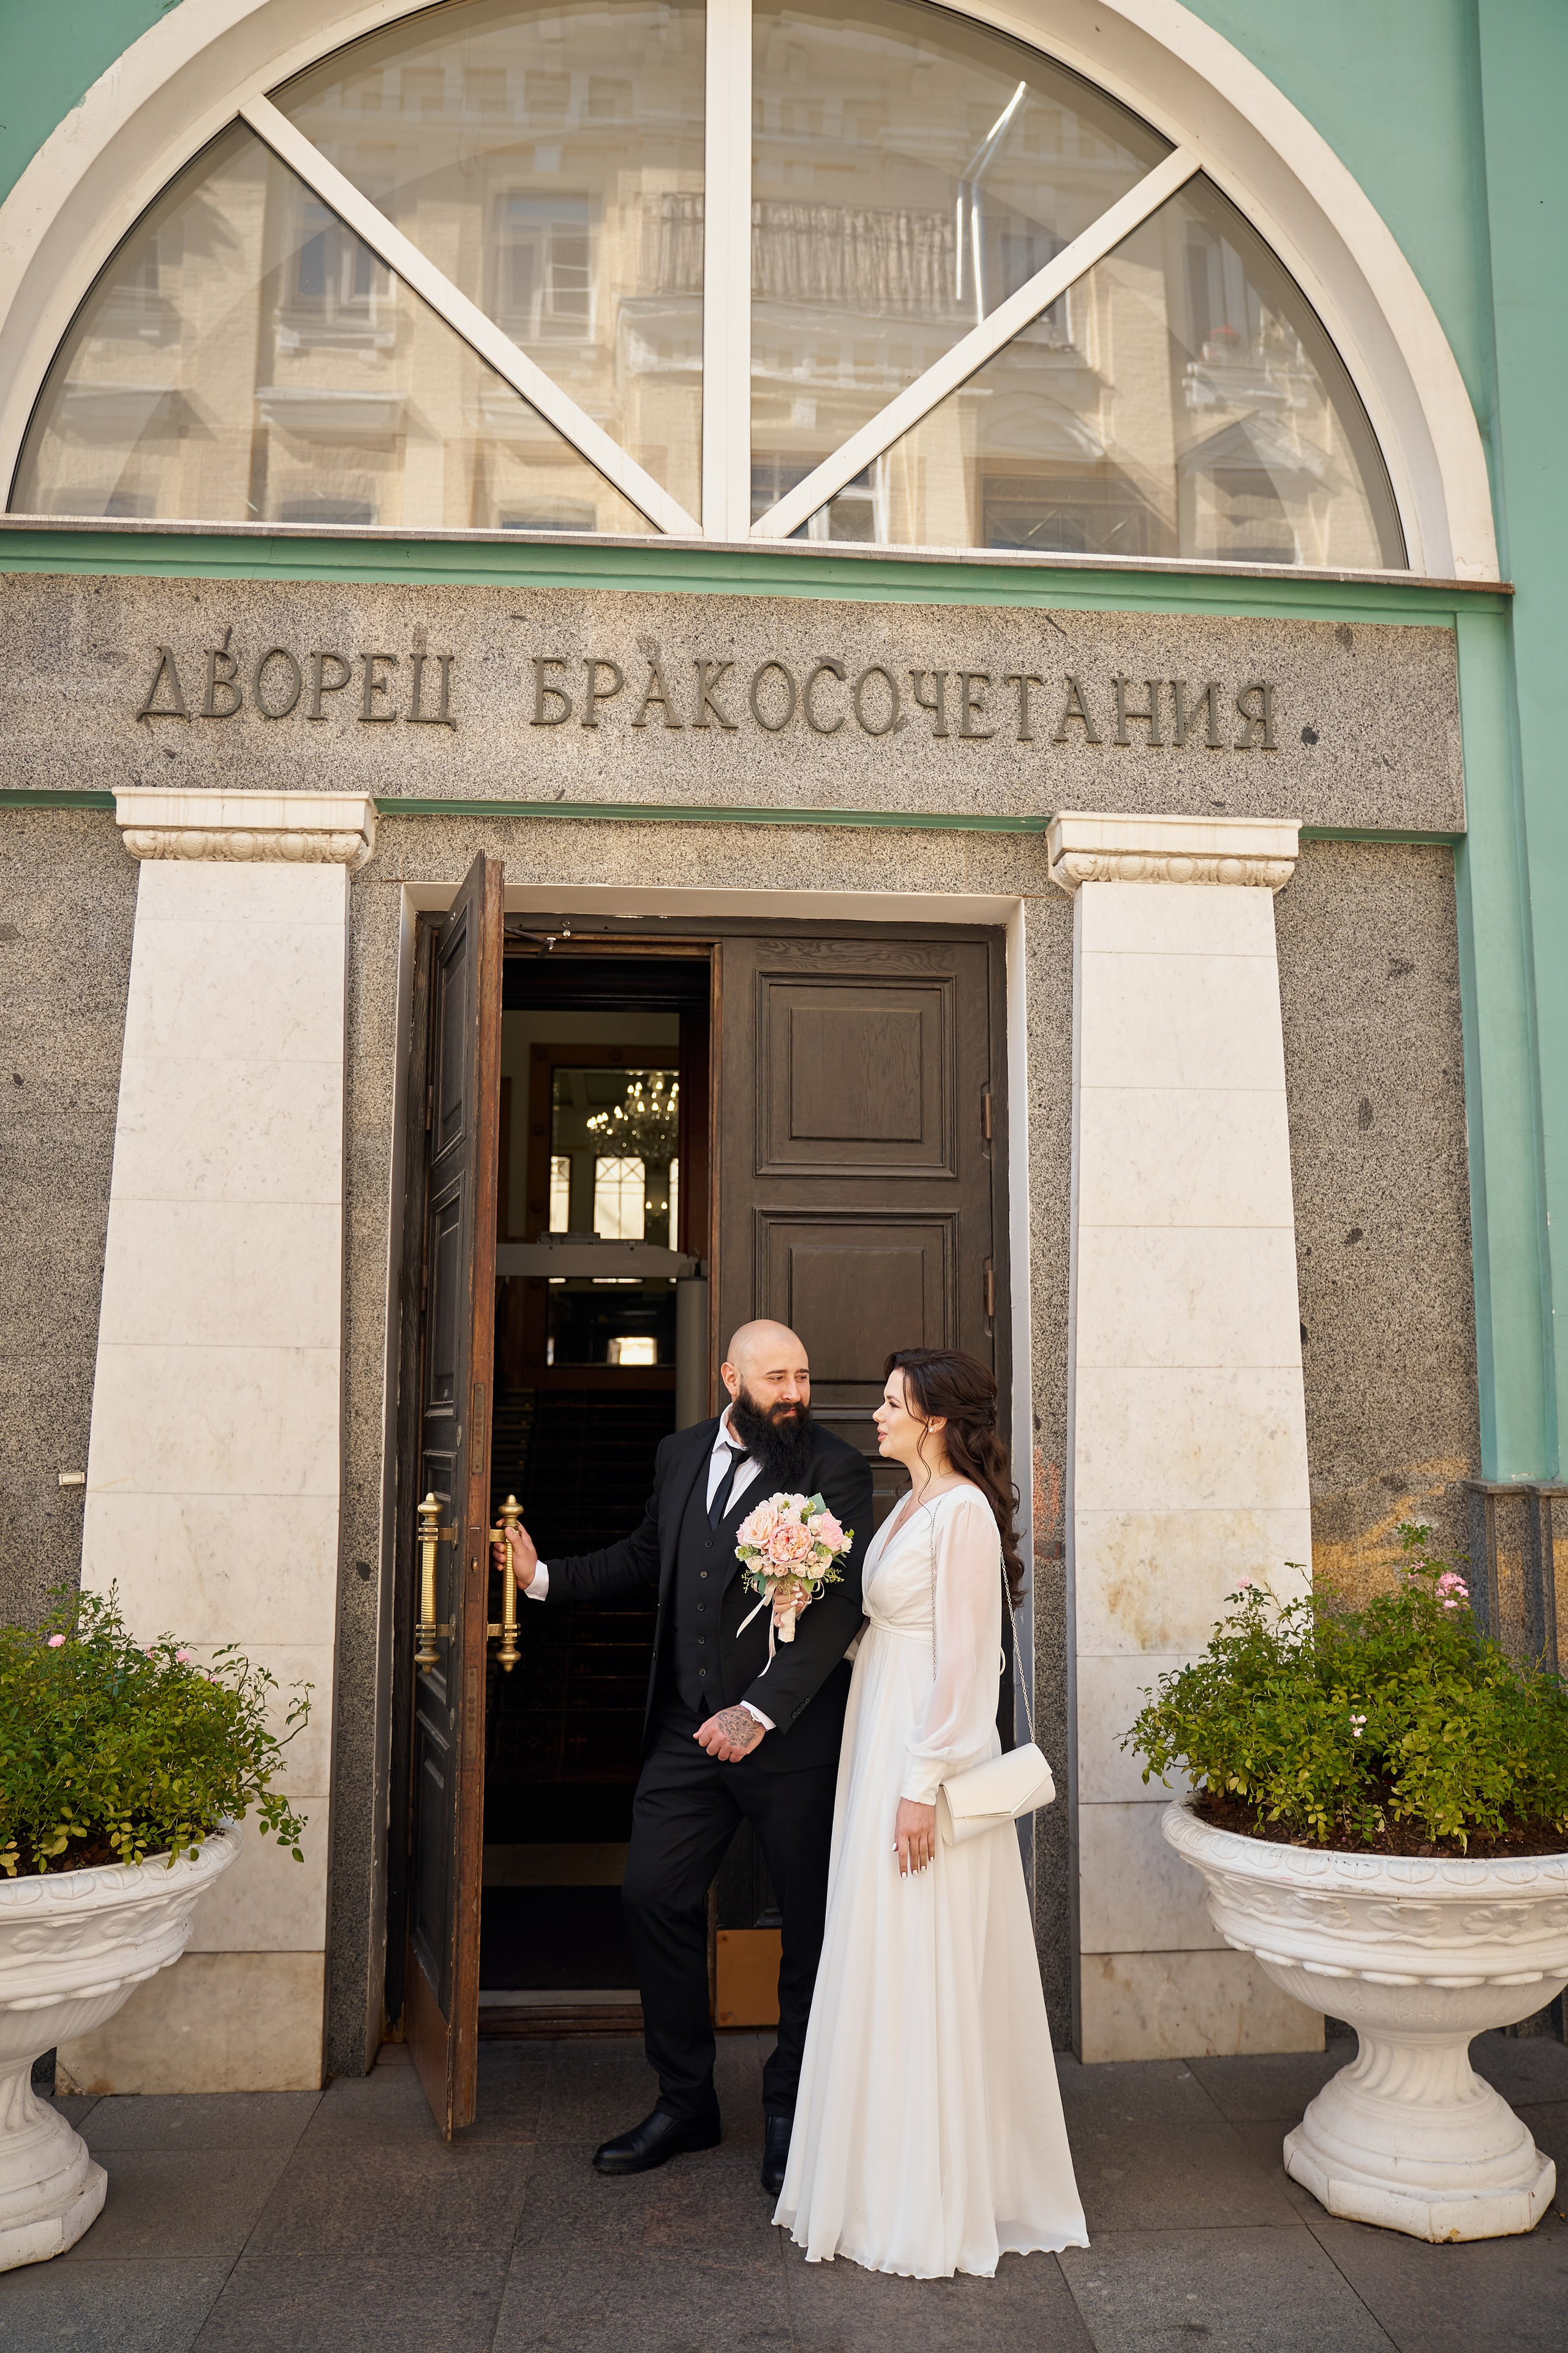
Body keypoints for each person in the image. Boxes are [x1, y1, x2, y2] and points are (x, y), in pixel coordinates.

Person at [494, 1319, 872, 2194]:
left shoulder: (835, 1468)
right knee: (651, 1895)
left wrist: (760, 1712)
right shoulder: (679, 1453)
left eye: (804, 1376)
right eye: (777, 1375)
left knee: (808, 1931)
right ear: (728, 1379)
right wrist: (541, 1577)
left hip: (793, 1742)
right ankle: (685, 2099)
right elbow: (646, 1557)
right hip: (685, 1730)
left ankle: (791, 2109)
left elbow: (838, 1606)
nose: (795, 1391)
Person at [775, 1347, 1087, 2278]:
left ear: (936, 1419)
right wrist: (797, 1614)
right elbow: (886, 1634)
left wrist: (923, 1785)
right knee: (878, 1942)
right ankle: (876, 2174)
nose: (874, 1413)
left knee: (923, 1946)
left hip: (926, 1753)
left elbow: (966, 1663)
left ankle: (933, 2193)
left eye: (890, 1402)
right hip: (881, 1730)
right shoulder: (908, 1506)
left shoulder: (963, 1515)